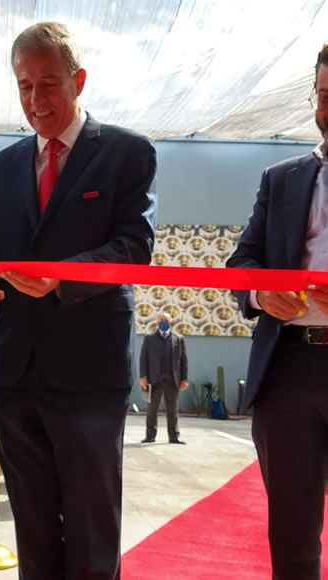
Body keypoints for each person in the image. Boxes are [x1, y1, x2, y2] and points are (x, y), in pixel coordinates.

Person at [0, 22, 156, 580]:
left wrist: (62, 278)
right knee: (34, 526)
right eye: (24, 86)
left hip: (89, 372)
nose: (35, 99)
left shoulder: (127, 152)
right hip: (14, 369)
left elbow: (134, 246)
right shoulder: (3, 165)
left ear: (79, 80)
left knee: (92, 527)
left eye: (48, 84)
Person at [226, 44, 328, 580]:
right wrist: (263, 295)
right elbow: (241, 264)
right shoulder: (281, 178)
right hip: (287, 369)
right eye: (326, 97)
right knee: (291, 533)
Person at [139, 312, 188, 444]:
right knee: (151, 410)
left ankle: (174, 436)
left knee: (172, 411)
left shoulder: (178, 338)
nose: (163, 321)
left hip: (172, 380)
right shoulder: (149, 338)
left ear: (170, 321)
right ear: (157, 322)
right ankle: (150, 436)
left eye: (166, 319)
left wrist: (184, 379)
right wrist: (143, 377)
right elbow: (143, 359)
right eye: (161, 319)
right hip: (154, 380)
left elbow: (183, 360)